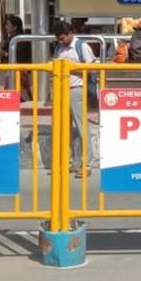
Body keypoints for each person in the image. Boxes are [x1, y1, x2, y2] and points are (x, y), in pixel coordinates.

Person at [52, 19, 97, 176]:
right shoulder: (59, 48)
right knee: (65, 128)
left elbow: (92, 69)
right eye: (58, 39)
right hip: (61, 89)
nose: (61, 41)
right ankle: (72, 161)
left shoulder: (82, 46)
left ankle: (87, 164)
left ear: (70, 34)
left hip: (77, 89)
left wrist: (73, 70)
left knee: (81, 127)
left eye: (63, 38)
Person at [0, 14, 32, 101]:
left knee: (19, 94)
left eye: (8, 24)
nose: (6, 27)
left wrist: (4, 53)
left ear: (15, 27)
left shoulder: (20, 39)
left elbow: (17, 55)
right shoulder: (12, 38)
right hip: (13, 70)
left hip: (20, 71)